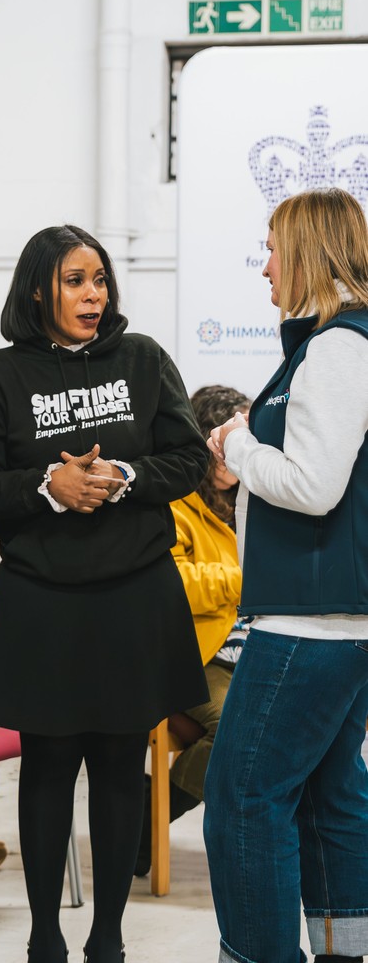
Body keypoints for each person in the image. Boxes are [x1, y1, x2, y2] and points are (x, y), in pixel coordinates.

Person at [0, 223, 210, 963]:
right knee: (48, 767)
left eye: (99, 279)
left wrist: (126, 476)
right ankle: (44, 939)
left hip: (135, 594)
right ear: (39, 290)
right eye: (74, 281)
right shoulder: (0, 375)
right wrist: (48, 486)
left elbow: (188, 458)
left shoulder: (142, 359)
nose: (93, 294)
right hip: (44, 599)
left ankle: (107, 939)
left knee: (120, 766)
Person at [204, 187, 368, 963]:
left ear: (305, 251)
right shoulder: (339, 342)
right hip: (336, 619)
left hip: (308, 623)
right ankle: (340, 948)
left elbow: (312, 485)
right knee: (329, 797)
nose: (263, 266)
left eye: (270, 249)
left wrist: (237, 444)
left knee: (241, 800)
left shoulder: (336, 348)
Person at [133, 384, 250, 878]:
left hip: (250, 650)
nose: (237, 451)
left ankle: (144, 818)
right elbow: (173, 585)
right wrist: (244, 579)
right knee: (236, 727)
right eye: (225, 439)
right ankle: (148, 822)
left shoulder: (251, 498)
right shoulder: (174, 504)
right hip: (193, 654)